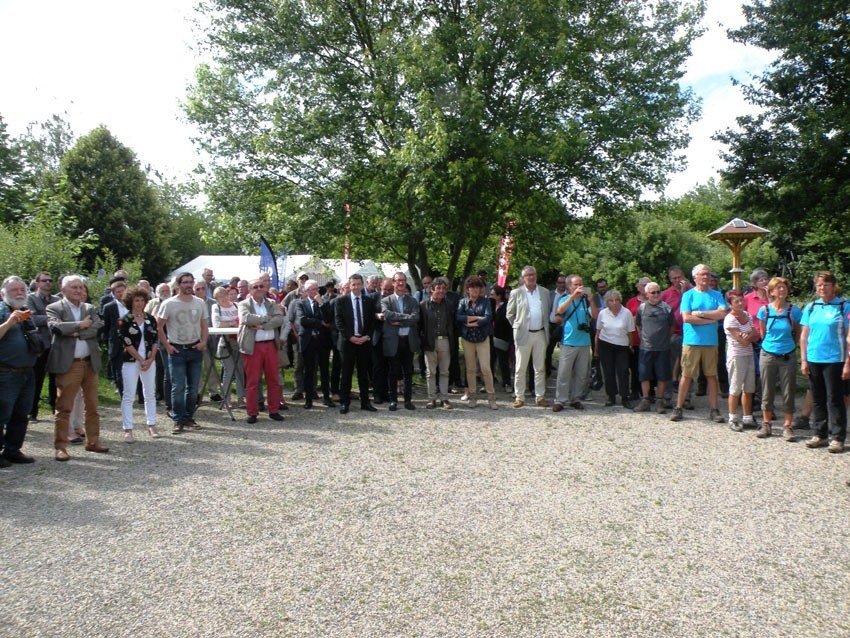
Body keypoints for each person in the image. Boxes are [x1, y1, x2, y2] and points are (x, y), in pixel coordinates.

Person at [48, 275, 109, 461]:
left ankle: (93, 441)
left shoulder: (89, 308)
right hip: (69, 365)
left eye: (80, 287)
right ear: (63, 290)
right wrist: (81, 325)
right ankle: (61, 447)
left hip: (89, 363)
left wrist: (75, 332)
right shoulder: (54, 308)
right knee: (64, 407)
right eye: (73, 287)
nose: (78, 290)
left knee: (92, 406)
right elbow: (56, 328)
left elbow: (98, 327)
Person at [670, 264, 727, 423]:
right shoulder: (688, 295)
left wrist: (701, 314)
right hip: (692, 341)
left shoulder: (716, 295)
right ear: (695, 277)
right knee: (686, 375)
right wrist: (711, 319)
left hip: (711, 342)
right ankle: (679, 407)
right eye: (703, 274)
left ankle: (714, 409)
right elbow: (687, 318)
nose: (706, 277)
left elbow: (722, 314)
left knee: (711, 376)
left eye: (708, 274)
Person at [800, 271, 847, 453]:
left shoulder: (844, 306)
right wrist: (803, 360)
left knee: (834, 399)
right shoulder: (811, 307)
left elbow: (849, 336)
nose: (822, 288)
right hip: (813, 358)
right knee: (818, 399)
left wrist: (848, 362)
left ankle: (837, 437)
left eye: (826, 284)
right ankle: (819, 434)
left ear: (833, 286)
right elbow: (804, 335)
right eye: (819, 285)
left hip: (835, 359)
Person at [156, 272, 208, 434]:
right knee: (178, 386)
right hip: (177, 349)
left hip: (195, 349)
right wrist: (167, 345)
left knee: (193, 387)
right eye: (185, 282)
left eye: (190, 282)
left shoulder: (199, 303)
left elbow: (204, 325)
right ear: (178, 285)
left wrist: (203, 342)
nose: (188, 285)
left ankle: (188, 417)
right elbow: (158, 327)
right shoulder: (169, 304)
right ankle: (178, 419)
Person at [756, 276, 801, 440]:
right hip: (768, 353)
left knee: (789, 391)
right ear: (772, 291)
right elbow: (762, 333)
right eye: (779, 287)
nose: (782, 290)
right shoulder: (764, 311)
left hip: (787, 354)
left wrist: (791, 346)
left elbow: (797, 331)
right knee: (767, 390)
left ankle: (787, 425)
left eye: (784, 287)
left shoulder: (794, 310)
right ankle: (766, 423)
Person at [0, 276, 38, 465]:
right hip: (6, 372)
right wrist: (9, 322)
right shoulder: (2, 310)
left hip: (27, 371)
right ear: (3, 293)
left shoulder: (25, 311)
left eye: (22, 290)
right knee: (2, 413)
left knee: (21, 414)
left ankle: (13, 449)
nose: (19, 293)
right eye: (14, 290)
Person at [238, 278, 285, 423]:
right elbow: (246, 318)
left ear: (265, 288)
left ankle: (274, 410)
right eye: (255, 286)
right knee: (252, 381)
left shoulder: (271, 303)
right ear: (250, 289)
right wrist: (266, 318)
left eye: (261, 286)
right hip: (253, 346)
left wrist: (262, 325)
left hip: (270, 345)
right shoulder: (243, 304)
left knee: (273, 380)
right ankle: (252, 412)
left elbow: (279, 319)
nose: (259, 288)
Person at [551, 275, 599, 411]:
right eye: (576, 284)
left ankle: (575, 398)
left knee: (581, 374)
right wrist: (572, 297)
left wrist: (591, 299)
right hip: (569, 342)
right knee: (564, 373)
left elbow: (595, 315)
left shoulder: (586, 301)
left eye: (581, 284)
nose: (579, 287)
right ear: (569, 286)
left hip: (584, 342)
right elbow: (559, 311)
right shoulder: (565, 299)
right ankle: (560, 400)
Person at [118, 286, 159, 441]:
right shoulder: (125, 320)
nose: (139, 303)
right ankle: (128, 428)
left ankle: (152, 424)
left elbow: (155, 339)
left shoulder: (150, 318)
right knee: (128, 395)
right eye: (136, 300)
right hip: (131, 360)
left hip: (149, 359)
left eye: (142, 300)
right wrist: (141, 359)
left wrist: (151, 358)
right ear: (131, 302)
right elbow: (126, 343)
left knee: (150, 393)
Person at [506, 266, 551, 408]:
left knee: (540, 368)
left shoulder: (544, 292)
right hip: (523, 334)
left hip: (540, 334)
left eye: (533, 274)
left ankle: (540, 396)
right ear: (523, 278)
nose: (531, 277)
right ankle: (519, 397)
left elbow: (547, 311)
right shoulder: (516, 292)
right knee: (520, 367)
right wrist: (518, 326)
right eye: (528, 275)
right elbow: (509, 314)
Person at [335, 274, 378, 414]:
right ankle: (344, 402)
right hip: (348, 342)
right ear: (349, 285)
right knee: (346, 373)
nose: (356, 287)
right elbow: (339, 322)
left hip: (364, 342)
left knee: (363, 373)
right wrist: (351, 337)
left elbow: (372, 322)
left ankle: (365, 402)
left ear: (362, 284)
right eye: (353, 284)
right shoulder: (341, 301)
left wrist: (367, 337)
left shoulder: (369, 301)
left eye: (358, 284)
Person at [380, 272, 420, 411]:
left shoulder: (413, 300)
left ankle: (408, 400)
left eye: (403, 280)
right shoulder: (386, 300)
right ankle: (393, 400)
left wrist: (398, 321)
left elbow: (415, 318)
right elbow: (387, 315)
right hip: (393, 341)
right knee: (393, 372)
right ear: (393, 283)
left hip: (408, 341)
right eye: (398, 281)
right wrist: (405, 317)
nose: (401, 283)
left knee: (408, 372)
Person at [633, 281, 674, 414]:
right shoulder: (642, 308)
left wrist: (665, 338)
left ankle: (659, 401)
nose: (656, 294)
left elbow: (672, 327)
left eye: (658, 291)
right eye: (653, 292)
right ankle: (645, 400)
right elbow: (638, 325)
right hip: (646, 348)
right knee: (644, 375)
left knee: (662, 376)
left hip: (663, 348)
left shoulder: (666, 308)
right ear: (646, 294)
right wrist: (644, 337)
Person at [293, 279, 334, 409]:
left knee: (324, 370)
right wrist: (320, 323)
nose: (315, 291)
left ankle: (327, 397)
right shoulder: (300, 303)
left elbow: (328, 319)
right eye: (312, 289)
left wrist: (321, 303)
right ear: (306, 291)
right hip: (308, 340)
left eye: (317, 289)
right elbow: (303, 320)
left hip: (322, 341)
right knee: (309, 371)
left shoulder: (324, 303)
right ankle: (309, 399)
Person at [457, 276, 497, 409]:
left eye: (477, 287)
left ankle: (491, 397)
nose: (474, 289)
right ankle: (472, 396)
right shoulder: (463, 302)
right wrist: (475, 319)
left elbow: (488, 317)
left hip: (482, 338)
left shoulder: (485, 302)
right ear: (467, 289)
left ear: (480, 289)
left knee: (486, 368)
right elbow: (458, 316)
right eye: (472, 287)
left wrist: (472, 321)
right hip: (467, 338)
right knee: (470, 369)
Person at [26, 271, 59, 421]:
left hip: (56, 345)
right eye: (45, 280)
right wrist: (52, 319)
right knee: (37, 379)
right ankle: (32, 411)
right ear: (37, 283)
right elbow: (31, 318)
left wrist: (46, 319)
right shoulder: (30, 298)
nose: (48, 283)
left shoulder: (57, 299)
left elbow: (63, 318)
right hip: (39, 345)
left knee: (56, 379)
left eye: (50, 280)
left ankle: (55, 409)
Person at [723, 290, 758, 432]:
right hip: (736, 355)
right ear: (730, 304)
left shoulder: (747, 315)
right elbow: (742, 340)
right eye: (736, 301)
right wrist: (749, 335)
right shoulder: (730, 319)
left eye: (741, 300)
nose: (740, 303)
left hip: (748, 354)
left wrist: (748, 335)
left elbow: (756, 335)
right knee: (735, 388)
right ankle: (733, 417)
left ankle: (747, 417)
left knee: (749, 388)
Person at [595, 289, 636, 408]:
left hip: (622, 345)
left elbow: (630, 332)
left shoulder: (626, 313)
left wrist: (631, 345)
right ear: (607, 302)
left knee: (623, 371)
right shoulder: (603, 313)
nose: (614, 303)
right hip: (606, 344)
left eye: (617, 300)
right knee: (608, 372)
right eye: (611, 300)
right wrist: (596, 350)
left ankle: (625, 397)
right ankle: (611, 396)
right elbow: (598, 332)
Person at [419, 277, 455, 409]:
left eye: (443, 288)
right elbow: (420, 326)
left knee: (445, 371)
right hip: (430, 341)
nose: (441, 291)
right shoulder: (423, 305)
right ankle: (431, 399)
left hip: (445, 340)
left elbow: (452, 325)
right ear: (431, 290)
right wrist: (423, 341)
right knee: (431, 372)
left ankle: (444, 399)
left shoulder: (449, 304)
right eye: (438, 288)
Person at [211, 285, 245, 408]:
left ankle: (241, 399)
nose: (223, 299)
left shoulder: (236, 306)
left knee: (240, 371)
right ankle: (227, 399)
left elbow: (242, 322)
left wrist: (228, 324)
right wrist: (232, 323)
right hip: (225, 343)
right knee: (228, 372)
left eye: (225, 295)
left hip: (238, 342)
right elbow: (217, 324)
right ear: (216, 299)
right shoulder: (216, 307)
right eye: (220, 297)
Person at [490, 284, 513, 392]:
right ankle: (488, 383)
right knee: (489, 361)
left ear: (499, 296)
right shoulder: (489, 305)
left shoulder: (507, 306)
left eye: (492, 294)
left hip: (502, 337)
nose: (490, 296)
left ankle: (507, 383)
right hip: (489, 337)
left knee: (503, 361)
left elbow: (508, 323)